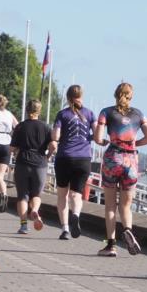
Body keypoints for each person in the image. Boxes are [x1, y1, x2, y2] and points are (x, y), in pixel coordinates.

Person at [94, 82, 147, 257]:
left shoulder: (106, 112)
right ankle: (128, 230)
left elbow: (98, 138)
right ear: (131, 96)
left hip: (113, 158)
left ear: (115, 94)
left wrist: (106, 141)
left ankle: (110, 245)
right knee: (126, 205)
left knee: (110, 205)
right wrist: (135, 144)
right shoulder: (138, 114)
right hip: (131, 161)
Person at [51, 85, 96, 240]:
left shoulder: (62, 114)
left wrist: (56, 139)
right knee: (76, 194)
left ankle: (65, 229)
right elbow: (97, 136)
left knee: (62, 195)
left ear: (67, 97)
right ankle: (75, 215)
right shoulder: (90, 114)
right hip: (83, 159)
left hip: (64, 157)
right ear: (81, 96)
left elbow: (56, 135)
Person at [10, 99, 53, 234]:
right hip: (40, 163)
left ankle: (23, 225)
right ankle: (34, 210)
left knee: (22, 196)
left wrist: (16, 151)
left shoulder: (20, 127)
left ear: (27, 110)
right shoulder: (46, 128)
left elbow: (12, 148)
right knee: (36, 194)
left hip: (23, 162)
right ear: (39, 111)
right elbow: (53, 145)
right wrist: (48, 156)